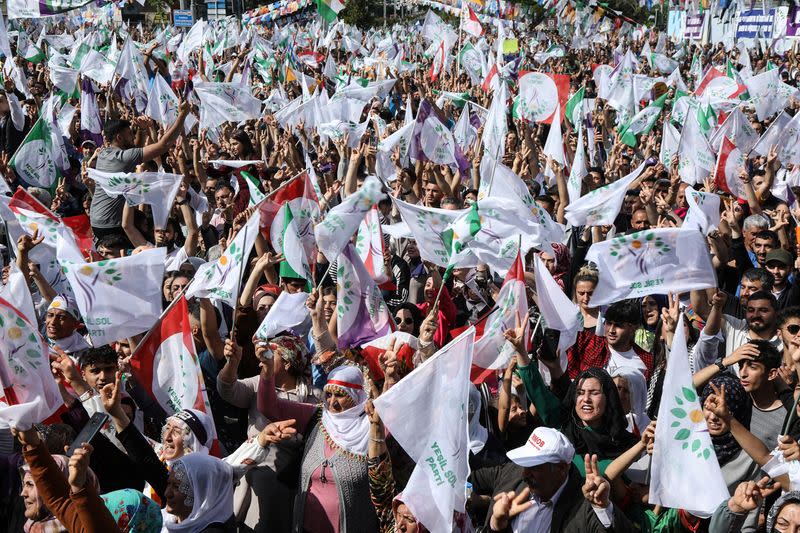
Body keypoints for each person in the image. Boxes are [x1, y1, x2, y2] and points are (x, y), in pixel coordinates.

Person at [474, 426, 635, 532]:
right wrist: (496, 523)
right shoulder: (511, 473)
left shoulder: (584, 508)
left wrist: (603, 508)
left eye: (535, 467)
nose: (525, 474)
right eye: (525, 463)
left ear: (562, 469)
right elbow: (465, 479)